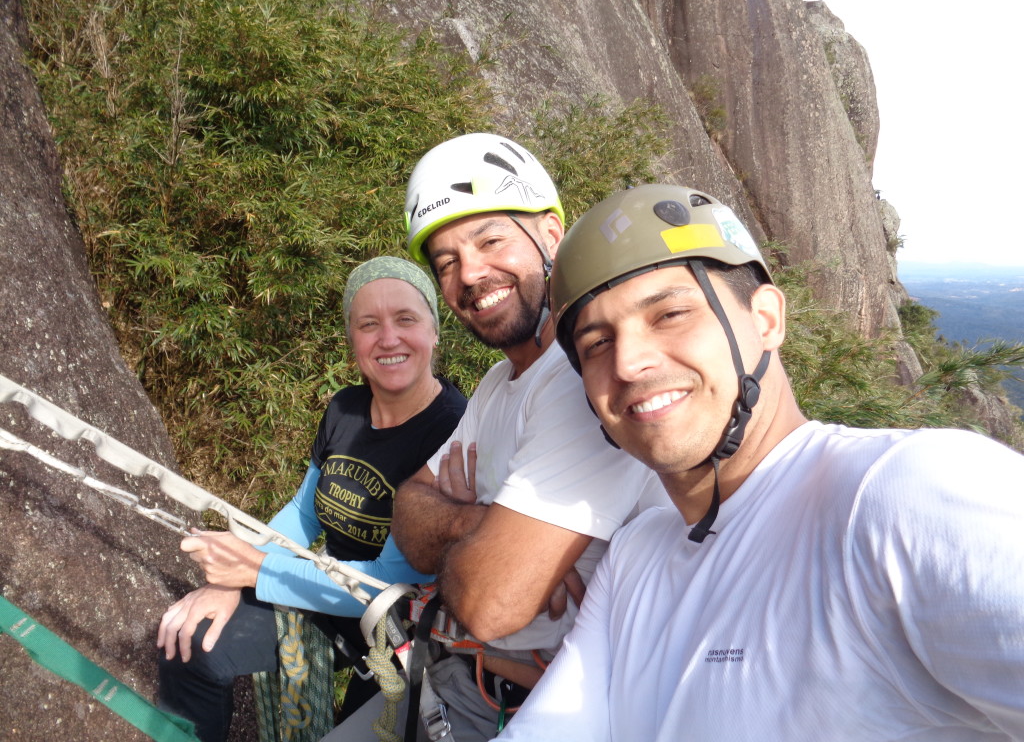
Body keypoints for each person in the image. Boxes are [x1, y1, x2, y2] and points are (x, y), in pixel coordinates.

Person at [495, 184, 1024, 741]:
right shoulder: (637, 555)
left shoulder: (899, 491)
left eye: (670, 313)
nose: (628, 362)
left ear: (766, 318)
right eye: (597, 343)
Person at [346, 133, 665, 741]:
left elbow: (492, 602)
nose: (469, 273)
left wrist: (480, 538)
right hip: (448, 680)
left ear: (550, 236)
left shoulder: (581, 379)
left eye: (490, 239)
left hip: (529, 707)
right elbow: (406, 513)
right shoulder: (496, 385)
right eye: (445, 263)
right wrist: (485, 526)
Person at [156, 256, 468, 742]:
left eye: (406, 319)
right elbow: (303, 515)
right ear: (352, 339)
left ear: (434, 330)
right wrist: (234, 578)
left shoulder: (453, 430)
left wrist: (254, 572)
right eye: (369, 324)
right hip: (322, 586)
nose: (388, 339)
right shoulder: (345, 408)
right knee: (193, 647)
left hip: (400, 628)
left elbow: (387, 582)